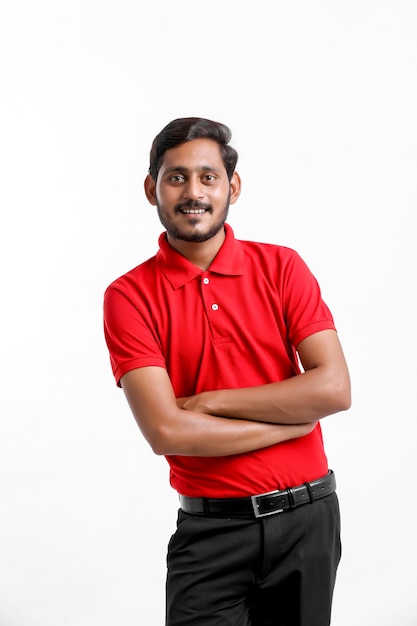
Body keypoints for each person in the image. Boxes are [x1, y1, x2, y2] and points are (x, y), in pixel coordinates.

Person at [103, 117, 351, 626]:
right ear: (152, 189)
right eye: (176, 178)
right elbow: (167, 430)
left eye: (208, 177)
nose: (193, 192)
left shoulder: (282, 267)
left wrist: (212, 402)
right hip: (210, 534)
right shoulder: (127, 296)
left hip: (308, 522)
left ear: (232, 186)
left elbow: (333, 387)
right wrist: (290, 422)